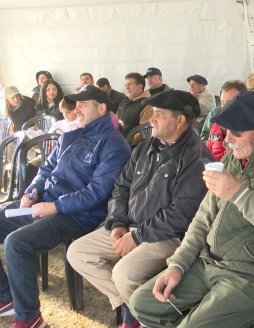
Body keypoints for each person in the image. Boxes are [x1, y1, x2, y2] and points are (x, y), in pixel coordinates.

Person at [128, 91, 254, 327]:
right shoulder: (231, 160)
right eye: (226, 131)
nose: (227, 140)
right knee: (142, 303)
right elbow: (203, 218)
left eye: (236, 132)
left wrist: (239, 193)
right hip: (211, 261)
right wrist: (178, 264)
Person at [67, 90, 214, 328]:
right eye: (152, 113)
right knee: (78, 253)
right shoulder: (146, 147)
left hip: (168, 236)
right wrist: (117, 224)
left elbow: (181, 215)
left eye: (159, 114)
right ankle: (135, 311)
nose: (151, 119)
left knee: (123, 274)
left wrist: (136, 236)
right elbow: (121, 188)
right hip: (130, 227)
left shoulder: (194, 157)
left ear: (180, 120)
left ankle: (144, 315)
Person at [0, 85, 131, 327]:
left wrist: (55, 206)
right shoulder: (72, 134)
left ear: (101, 108)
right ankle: (5, 297)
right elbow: (46, 168)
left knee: (16, 243)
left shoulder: (113, 144)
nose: (76, 109)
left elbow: (98, 192)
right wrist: (33, 191)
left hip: (79, 214)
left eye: (83, 104)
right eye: (75, 104)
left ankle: (29, 317)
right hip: (46, 202)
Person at [117, 72, 153, 138]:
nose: (127, 88)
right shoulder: (124, 101)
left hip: (135, 146)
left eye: (130, 84)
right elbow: (116, 121)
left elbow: (144, 131)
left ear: (140, 86)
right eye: (126, 85)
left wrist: (127, 142)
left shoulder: (147, 105)